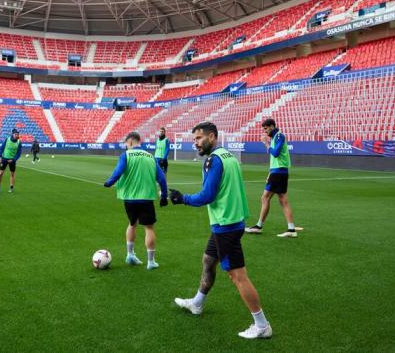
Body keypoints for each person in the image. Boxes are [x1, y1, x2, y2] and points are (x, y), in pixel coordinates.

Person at [169, 122, 271, 340]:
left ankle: (262, 325)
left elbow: (207, 196)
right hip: (229, 222)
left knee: (237, 276)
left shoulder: (212, 161)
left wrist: (182, 199)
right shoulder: (228, 156)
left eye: (198, 138)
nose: (195, 143)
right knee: (208, 260)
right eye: (194, 139)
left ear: (212, 137)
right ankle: (197, 303)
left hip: (226, 224)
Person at [104, 132, 167, 270]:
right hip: (146, 198)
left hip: (129, 198)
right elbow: (161, 179)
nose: (126, 147)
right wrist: (164, 196)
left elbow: (118, 172)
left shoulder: (126, 155)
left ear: (131, 142)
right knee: (149, 228)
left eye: (126, 144)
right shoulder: (151, 157)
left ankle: (130, 254)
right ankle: (151, 262)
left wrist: (109, 182)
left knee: (132, 224)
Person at [245, 118, 299, 238]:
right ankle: (291, 229)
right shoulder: (275, 137)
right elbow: (274, 159)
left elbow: (275, 153)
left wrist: (266, 144)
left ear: (272, 126)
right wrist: (270, 172)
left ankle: (259, 226)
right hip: (278, 172)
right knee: (282, 200)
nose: (265, 132)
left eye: (266, 129)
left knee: (265, 198)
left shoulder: (279, 136)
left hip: (278, 172)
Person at [0, 129, 22, 193]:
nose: (17, 135)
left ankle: (11, 188)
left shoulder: (19, 142)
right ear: (12, 134)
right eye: (16, 134)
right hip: (4, 158)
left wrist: (13, 160)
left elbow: (19, 153)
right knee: (1, 173)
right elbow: (1, 148)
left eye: (18, 134)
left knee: (12, 174)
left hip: (12, 160)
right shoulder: (7, 139)